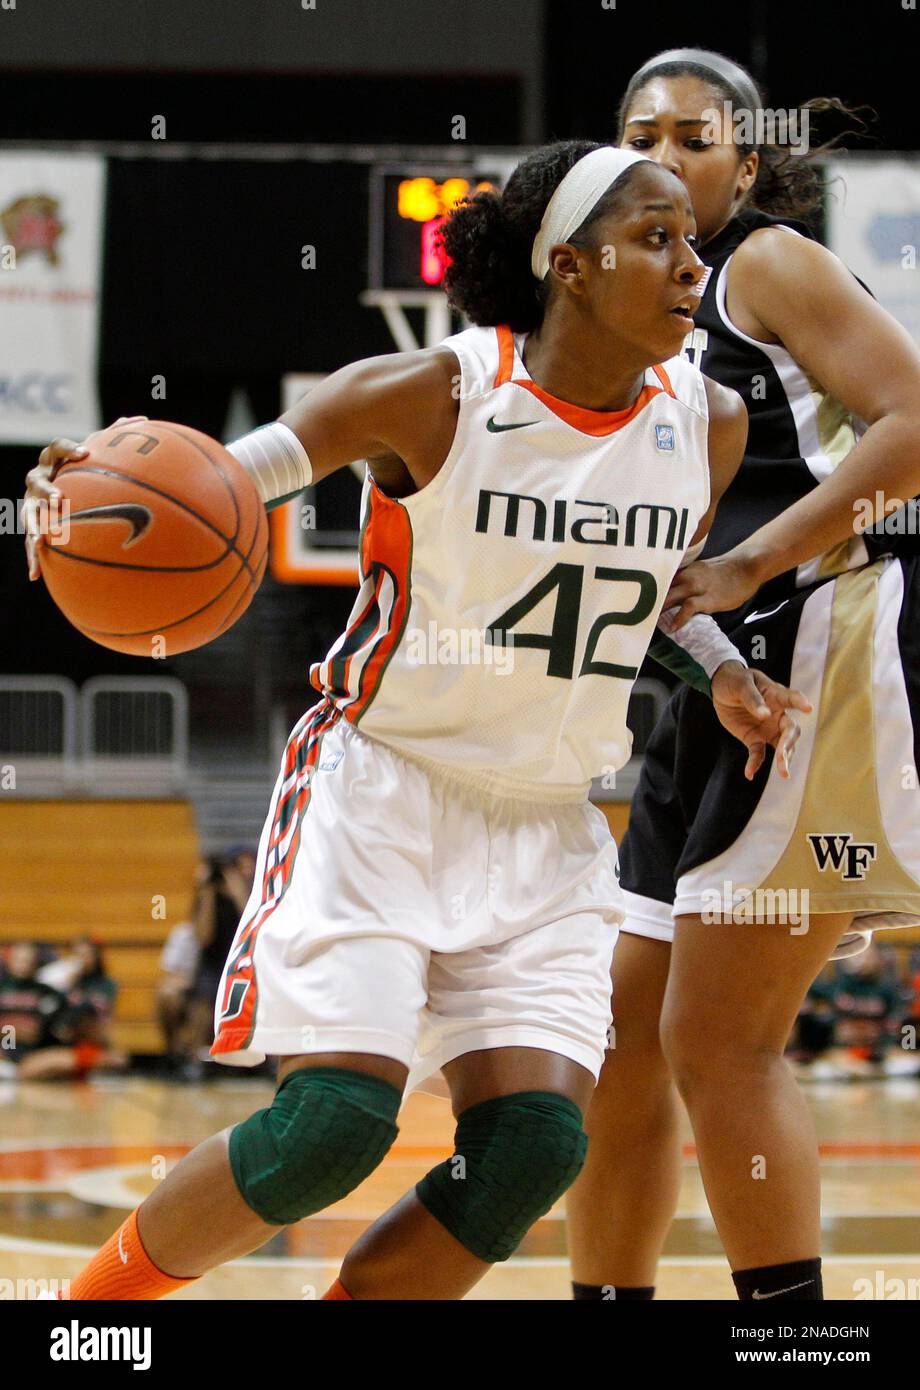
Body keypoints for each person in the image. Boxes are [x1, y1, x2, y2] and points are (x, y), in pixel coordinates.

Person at [23, 139, 808, 1301]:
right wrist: (78, 489)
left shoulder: (706, 422)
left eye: (691, 239)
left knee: (533, 1147)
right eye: (655, 239)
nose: (691, 263)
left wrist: (718, 674)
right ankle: (81, 1324)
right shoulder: (430, 392)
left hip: (546, 830)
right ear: (570, 266)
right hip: (382, 793)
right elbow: (210, 491)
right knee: (329, 1126)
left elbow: (641, 592)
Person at [567, 48, 920, 1303]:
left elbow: (912, 421)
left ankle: (797, 1336)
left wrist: (755, 560)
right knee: (618, 1041)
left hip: (827, 637)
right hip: (718, 678)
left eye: (692, 137)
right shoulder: (625, 310)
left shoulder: (763, 266)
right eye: (636, 134)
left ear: (745, 161)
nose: (661, 156)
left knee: (718, 1042)